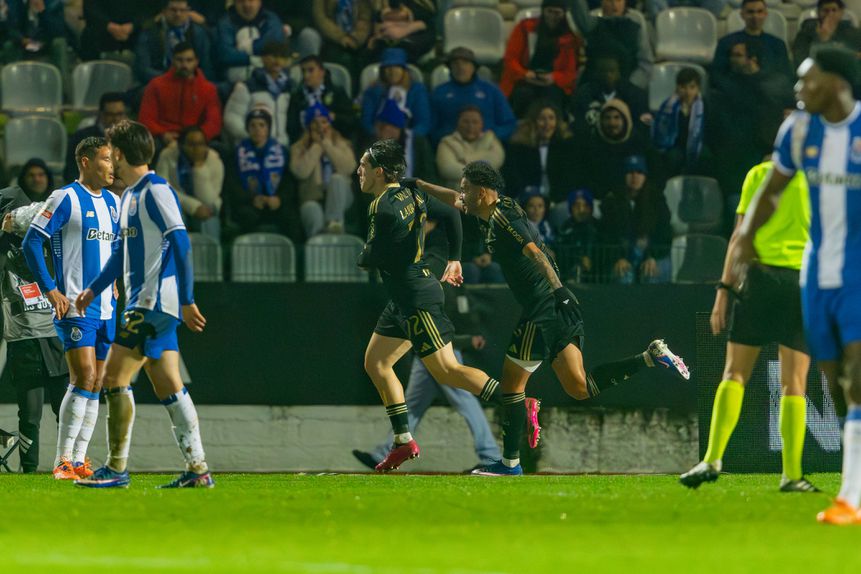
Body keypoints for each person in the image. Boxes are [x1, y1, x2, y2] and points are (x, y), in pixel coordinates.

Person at [417, 161, 690, 476]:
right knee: (579, 388)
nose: (461, 194)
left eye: (465, 188)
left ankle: (510, 464)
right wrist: (420, 183)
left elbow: (537, 253)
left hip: (543, 306)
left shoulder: (504, 217)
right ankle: (650, 356)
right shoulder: (492, 210)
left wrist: (559, 291)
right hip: (554, 307)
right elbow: (451, 198)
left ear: (481, 191)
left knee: (510, 384)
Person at [729, 48, 861, 524]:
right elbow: (774, 187)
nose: (799, 89)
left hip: (857, 272)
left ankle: (850, 497)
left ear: (837, 81)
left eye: (808, 80)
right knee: (835, 380)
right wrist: (746, 236)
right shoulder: (799, 129)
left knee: (858, 371)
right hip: (815, 274)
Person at [73, 120, 212, 489]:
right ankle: (198, 470)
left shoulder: (156, 190)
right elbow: (120, 254)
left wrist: (187, 299)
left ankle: (116, 468)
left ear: (119, 153)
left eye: (111, 152)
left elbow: (181, 242)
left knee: (113, 378)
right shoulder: (130, 196)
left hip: (152, 303)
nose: (110, 159)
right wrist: (93, 288)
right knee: (169, 383)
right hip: (145, 302)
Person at [356, 139, 510, 472]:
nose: (359, 171)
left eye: (363, 166)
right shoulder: (412, 193)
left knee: (448, 371)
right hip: (405, 297)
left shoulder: (381, 208)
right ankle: (402, 441)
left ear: (379, 172)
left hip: (415, 298)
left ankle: (516, 401)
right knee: (376, 362)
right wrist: (454, 258)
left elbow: (373, 256)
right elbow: (453, 211)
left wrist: (366, 256)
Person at [681, 160, 817, 492]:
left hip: (759, 280)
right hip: (801, 283)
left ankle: (712, 459)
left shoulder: (758, 173)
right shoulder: (821, 178)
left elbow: (740, 236)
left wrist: (723, 290)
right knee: (795, 383)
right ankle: (792, 475)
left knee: (734, 374)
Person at [21, 137, 119, 480]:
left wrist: (116, 282)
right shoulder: (65, 198)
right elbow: (31, 241)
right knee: (83, 377)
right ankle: (63, 459)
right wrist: (50, 290)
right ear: (86, 161)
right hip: (76, 304)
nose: (112, 166)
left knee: (98, 382)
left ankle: (79, 460)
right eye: (106, 159)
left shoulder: (113, 203)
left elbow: (115, 250)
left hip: (108, 306)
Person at [0, 162, 68, 473]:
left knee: (64, 408)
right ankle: (29, 471)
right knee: (29, 414)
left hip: (55, 333)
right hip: (22, 337)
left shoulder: (47, 238)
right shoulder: (3, 249)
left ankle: (70, 463)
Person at [499, 0, 582, 118]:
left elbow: (569, 72)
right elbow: (511, 59)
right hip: (525, 78)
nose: (553, 17)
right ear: (543, 11)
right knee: (523, 94)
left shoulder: (569, 38)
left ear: (564, 14)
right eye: (550, 12)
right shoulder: (525, 27)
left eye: (557, 13)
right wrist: (525, 74)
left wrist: (553, 77)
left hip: (553, 82)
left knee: (552, 95)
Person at [598, 155, 672, 284]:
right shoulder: (611, 201)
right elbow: (607, 235)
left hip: (655, 255)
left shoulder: (657, 200)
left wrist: (653, 256)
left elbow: (665, 233)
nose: (634, 176)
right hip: (623, 256)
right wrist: (617, 258)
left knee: (651, 275)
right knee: (623, 277)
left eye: (639, 172)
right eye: (630, 172)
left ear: (645, 176)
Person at [138, 41, 222, 150]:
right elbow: (146, 119)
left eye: (189, 60)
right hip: (162, 138)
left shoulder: (208, 89)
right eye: (180, 60)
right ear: (173, 60)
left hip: (196, 139)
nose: (184, 65)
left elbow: (214, 122)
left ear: (196, 62)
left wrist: (197, 137)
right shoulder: (156, 85)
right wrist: (163, 134)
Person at [289, 102, 356, 237]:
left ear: (330, 124)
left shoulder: (342, 143)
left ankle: (334, 224)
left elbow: (349, 168)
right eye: (315, 123)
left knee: (336, 178)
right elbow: (301, 172)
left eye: (324, 122)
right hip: (312, 199)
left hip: (341, 197)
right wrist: (317, 147)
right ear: (308, 127)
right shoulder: (298, 148)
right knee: (311, 208)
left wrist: (327, 145)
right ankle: (319, 250)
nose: (320, 127)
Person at [429, 46, 516, 145]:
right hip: (452, 146)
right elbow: (431, 128)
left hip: (487, 145)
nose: (461, 67)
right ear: (450, 68)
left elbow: (509, 123)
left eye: (465, 63)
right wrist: (449, 136)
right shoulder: (439, 93)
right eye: (455, 64)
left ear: (474, 67)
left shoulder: (491, 90)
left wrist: (490, 136)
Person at [155, 126, 225, 241]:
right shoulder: (167, 155)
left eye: (201, 144)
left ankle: (208, 257)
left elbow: (208, 199)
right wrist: (192, 206)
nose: (197, 149)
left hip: (207, 205)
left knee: (208, 217)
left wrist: (199, 168)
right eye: (191, 144)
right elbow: (162, 190)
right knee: (174, 216)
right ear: (181, 145)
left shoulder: (214, 160)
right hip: (176, 204)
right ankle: (179, 257)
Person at [230, 107, 291, 235]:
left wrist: (279, 199)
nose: (257, 129)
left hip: (276, 202)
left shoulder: (282, 151)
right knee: (245, 215)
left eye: (262, 125)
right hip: (250, 203)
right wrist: (252, 198)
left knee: (290, 216)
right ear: (247, 129)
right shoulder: (237, 152)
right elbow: (233, 184)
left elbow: (289, 181)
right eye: (252, 125)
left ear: (268, 128)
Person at [223, 40, 293, 147]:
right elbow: (232, 118)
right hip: (251, 149)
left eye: (282, 56)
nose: (277, 60)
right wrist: (252, 138)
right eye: (273, 56)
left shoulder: (288, 88)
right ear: (263, 58)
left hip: (281, 149)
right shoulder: (247, 87)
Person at [570, 0, 653, 89]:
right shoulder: (593, 22)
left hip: (628, 87)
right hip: (596, 88)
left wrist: (627, 88)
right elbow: (578, 10)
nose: (614, 5)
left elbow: (645, 65)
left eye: (618, 0)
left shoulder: (636, 21)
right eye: (609, 1)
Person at [134, 0, 213, 85]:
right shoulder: (149, 31)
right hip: (158, 82)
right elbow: (143, 69)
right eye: (173, 10)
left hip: (191, 82)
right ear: (164, 11)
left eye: (182, 10)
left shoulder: (198, 33)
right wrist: (171, 79)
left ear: (188, 11)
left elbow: (206, 66)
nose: (178, 14)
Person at [711, 0, 793, 82]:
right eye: (750, 12)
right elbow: (718, 75)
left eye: (759, 12)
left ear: (765, 14)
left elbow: (785, 76)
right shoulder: (726, 42)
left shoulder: (778, 45)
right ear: (742, 15)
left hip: (768, 92)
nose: (755, 16)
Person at [360, 47, 430, 138]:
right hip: (378, 139)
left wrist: (404, 136)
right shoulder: (373, 90)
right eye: (388, 67)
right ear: (382, 71)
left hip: (410, 140)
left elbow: (424, 124)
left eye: (397, 67)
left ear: (404, 70)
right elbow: (366, 122)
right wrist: (380, 135)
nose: (392, 71)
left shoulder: (417, 90)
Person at [287, 54, 356, 143]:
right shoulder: (297, 97)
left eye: (311, 70)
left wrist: (334, 117)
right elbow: (291, 127)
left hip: (335, 141)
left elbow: (352, 121)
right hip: (306, 142)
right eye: (303, 71)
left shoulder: (337, 92)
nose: (306, 75)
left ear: (322, 72)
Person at [652, 67, 708, 177]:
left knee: (705, 157)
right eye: (683, 87)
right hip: (674, 146)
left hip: (697, 145)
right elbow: (660, 129)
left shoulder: (704, 106)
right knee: (672, 157)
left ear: (698, 88)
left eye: (692, 87)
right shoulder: (669, 106)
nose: (687, 92)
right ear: (677, 87)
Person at [436, 105, 505, 190]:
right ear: (458, 123)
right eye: (466, 122)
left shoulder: (491, 139)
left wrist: (465, 159)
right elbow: (447, 169)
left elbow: (496, 161)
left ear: (482, 124)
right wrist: (482, 165)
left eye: (475, 122)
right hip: (456, 195)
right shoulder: (447, 142)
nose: (470, 126)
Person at [215, 0, 286, 82]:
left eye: (251, 0)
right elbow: (225, 54)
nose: (247, 5)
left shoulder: (270, 19)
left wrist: (249, 47)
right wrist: (254, 59)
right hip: (234, 84)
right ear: (234, 3)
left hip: (268, 82)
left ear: (259, 2)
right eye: (241, 1)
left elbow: (272, 43)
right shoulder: (225, 23)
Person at [64, 92, 128, 183]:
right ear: (101, 114)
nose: (116, 119)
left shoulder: (131, 140)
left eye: (120, 114)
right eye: (110, 114)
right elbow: (72, 172)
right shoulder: (81, 138)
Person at [311, 0, 373, 80]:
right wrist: (340, 37)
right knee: (344, 58)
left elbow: (364, 19)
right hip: (331, 38)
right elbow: (320, 17)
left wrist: (356, 38)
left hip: (356, 40)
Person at [364, 0, 436, 63]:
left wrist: (407, 14)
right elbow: (370, 14)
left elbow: (429, 10)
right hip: (383, 33)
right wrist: (385, 15)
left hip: (416, 35)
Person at [793, 0, 861, 64]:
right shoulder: (807, 31)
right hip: (816, 72)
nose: (830, 14)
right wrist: (821, 39)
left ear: (841, 12)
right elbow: (800, 58)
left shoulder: (851, 31)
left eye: (834, 10)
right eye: (825, 10)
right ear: (818, 12)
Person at [555, 189, 598, 282]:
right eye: (576, 205)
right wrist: (579, 258)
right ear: (571, 208)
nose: (581, 209)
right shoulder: (565, 227)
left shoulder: (598, 227)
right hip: (568, 277)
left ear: (590, 208)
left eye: (585, 205)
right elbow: (560, 251)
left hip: (596, 278)